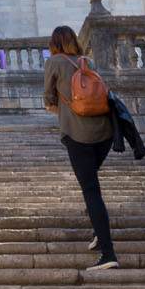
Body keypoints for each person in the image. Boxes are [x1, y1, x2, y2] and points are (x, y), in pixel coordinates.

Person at [43, 25, 120, 271]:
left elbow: (49, 100)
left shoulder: (54, 63)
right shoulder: (87, 61)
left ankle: (108, 254)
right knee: (91, 185)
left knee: (91, 190)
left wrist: (63, 107)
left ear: (54, 43)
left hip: (78, 136)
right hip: (104, 133)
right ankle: (99, 232)